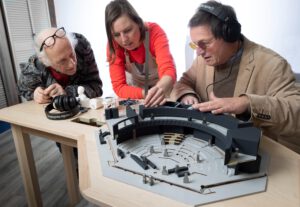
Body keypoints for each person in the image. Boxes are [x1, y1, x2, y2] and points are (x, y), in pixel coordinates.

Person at [171, 1, 300, 153]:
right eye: (195, 45)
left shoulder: (273, 64)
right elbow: (184, 82)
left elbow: (296, 111)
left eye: (205, 43)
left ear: (229, 34)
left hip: (254, 152)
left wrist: (247, 104)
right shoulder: (202, 59)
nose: (199, 52)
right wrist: (187, 94)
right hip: (210, 147)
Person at [105, 0, 176, 107]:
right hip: (136, 92)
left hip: (163, 88)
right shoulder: (114, 45)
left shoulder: (154, 32)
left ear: (138, 23)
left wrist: (158, 90)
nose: (124, 40)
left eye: (128, 30)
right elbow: (119, 87)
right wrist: (146, 93)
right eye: (116, 35)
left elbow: (168, 70)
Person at [18, 27, 103, 103]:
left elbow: (97, 88)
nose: (71, 64)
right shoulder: (35, 67)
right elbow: (22, 89)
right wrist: (35, 94)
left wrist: (67, 92)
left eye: (72, 54)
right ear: (46, 62)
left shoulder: (82, 48)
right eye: (62, 61)